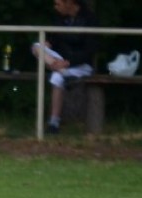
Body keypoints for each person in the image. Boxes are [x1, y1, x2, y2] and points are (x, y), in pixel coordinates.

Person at [31, 0, 98, 134]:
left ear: (69, 3)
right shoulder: (60, 19)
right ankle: (63, 72)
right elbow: (55, 39)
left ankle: (53, 123)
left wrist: (69, 62)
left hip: (82, 65)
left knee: (56, 77)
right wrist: (48, 44)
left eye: (58, 4)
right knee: (36, 47)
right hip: (62, 63)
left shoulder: (90, 20)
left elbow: (90, 50)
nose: (55, 7)